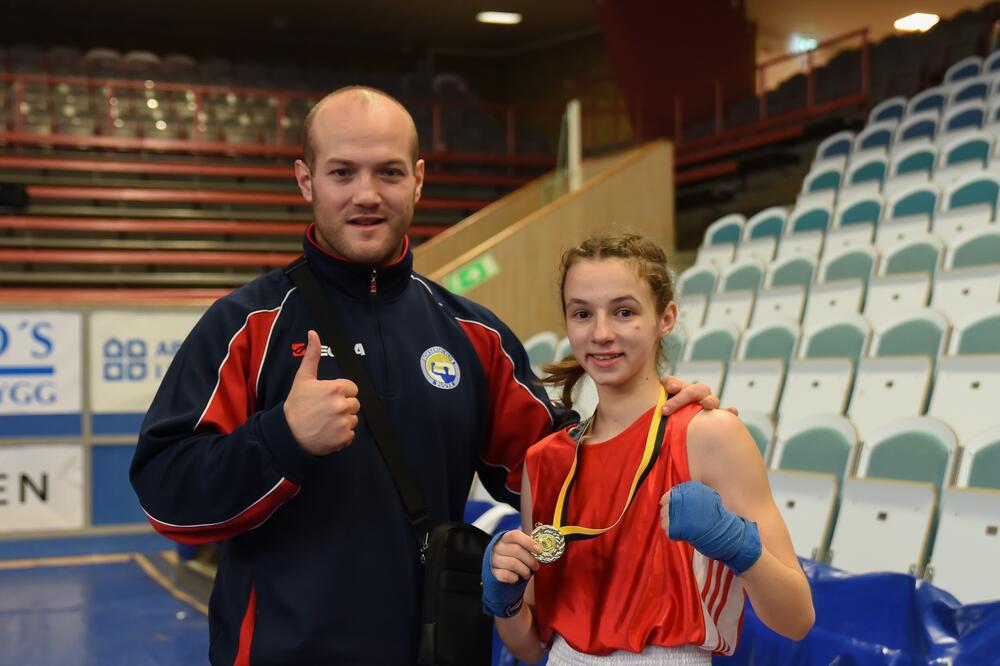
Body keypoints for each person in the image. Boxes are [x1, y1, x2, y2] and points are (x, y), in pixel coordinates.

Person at [129, 87, 721, 665]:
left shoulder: (472, 334)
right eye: (342, 173)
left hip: (433, 645)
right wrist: (282, 439)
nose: (367, 195)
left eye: (387, 172)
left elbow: (564, 470)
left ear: (417, 179)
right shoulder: (246, 326)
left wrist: (654, 417)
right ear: (306, 180)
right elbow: (166, 494)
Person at [483, 233, 814, 665]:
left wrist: (737, 544)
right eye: (582, 313)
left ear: (666, 317)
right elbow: (532, 649)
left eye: (624, 312)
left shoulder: (709, 435)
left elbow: (797, 619)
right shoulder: (545, 461)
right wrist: (504, 603)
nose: (601, 333)